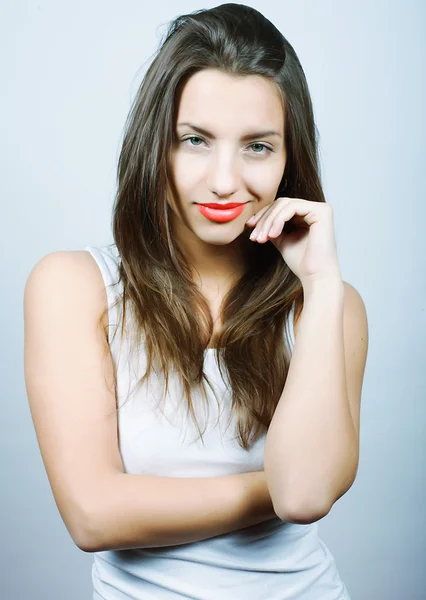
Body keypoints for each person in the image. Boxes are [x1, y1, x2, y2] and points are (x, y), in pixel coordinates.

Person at [23, 4, 368, 599]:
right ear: (155, 145)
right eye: (195, 141)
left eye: (258, 147)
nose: (225, 179)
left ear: (291, 158)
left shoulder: (330, 303)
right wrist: (274, 487)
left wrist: (322, 283)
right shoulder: (75, 286)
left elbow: (307, 497)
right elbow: (93, 515)